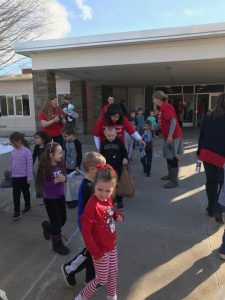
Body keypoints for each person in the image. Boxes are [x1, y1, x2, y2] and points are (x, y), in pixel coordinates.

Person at [74, 165, 124, 300]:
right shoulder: (92, 205)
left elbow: (111, 208)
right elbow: (86, 231)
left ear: (113, 189)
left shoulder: (107, 199)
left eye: (108, 191)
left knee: (113, 272)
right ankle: (81, 297)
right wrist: (95, 251)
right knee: (101, 279)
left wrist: (117, 214)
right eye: (99, 189)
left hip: (111, 245)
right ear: (94, 185)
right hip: (100, 250)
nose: (103, 193)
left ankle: (111, 296)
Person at [61, 152, 106, 287]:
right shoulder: (88, 187)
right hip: (89, 226)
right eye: (101, 167)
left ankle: (90, 278)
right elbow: (92, 211)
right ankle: (70, 268)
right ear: (92, 169)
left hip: (94, 224)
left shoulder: (92, 182)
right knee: (93, 251)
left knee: (95, 252)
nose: (103, 170)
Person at [37, 141, 69, 255]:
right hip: (50, 199)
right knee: (56, 222)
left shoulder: (61, 163)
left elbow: (65, 175)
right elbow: (43, 185)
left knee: (63, 219)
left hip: (60, 196)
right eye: (59, 153)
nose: (61, 154)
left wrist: (64, 178)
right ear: (51, 155)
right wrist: (55, 181)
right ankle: (57, 244)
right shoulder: (45, 168)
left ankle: (47, 226)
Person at [197, 92, 225, 223]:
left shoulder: (208, 116)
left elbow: (201, 135)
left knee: (211, 182)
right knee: (222, 184)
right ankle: (218, 208)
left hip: (207, 154)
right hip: (222, 157)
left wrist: (199, 151)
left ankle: (211, 208)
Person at [152, 90, 183, 188]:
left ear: (158, 99)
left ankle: (174, 181)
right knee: (168, 155)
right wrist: (153, 128)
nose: (153, 101)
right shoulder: (162, 108)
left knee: (173, 157)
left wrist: (170, 135)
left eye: (154, 99)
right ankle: (170, 175)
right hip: (168, 136)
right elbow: (163, 123)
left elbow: (173, 121)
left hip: (173, 136)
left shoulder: (166, 107)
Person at [100, 126, 128, 210]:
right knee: (109, 184)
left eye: (112, 136)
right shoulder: (104, 143)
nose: (111, 138)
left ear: (116, 134)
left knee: (118, 184)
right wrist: (101, 163)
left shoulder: (119, 142)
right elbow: (101, 154)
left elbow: (124, 152)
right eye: (109, 136)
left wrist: (125, 158)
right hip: (108, 167)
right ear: (105, 135)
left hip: (118, 167)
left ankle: (120, 201)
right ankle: (112, 199)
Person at [9, 132, 33, 220]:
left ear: (19, 141)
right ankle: (16, 212)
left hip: (24, 177)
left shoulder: (27, 152)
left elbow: (29, 165)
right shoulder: (13, 152)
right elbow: (11, 163)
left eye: (13, 142)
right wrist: (9, 173)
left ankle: (28, 205)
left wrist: (29, 177)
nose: (12, 145)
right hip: (15, 177)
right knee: (16, 195)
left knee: (25, 192)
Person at [62, 126, 82, 209]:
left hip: (74, 167)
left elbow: (79, 155)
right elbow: (66, 154)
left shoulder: (77, 143)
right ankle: (69, 199)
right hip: (67, 165)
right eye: (63, 136)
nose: (64, 138)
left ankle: (75, 200)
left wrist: (78, 166)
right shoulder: (66, 142)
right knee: (69, 183)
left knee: (74, 184)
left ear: (72, 135)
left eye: (65, 136)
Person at [33, 131, 51, 205]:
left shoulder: (48, 147)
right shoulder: (36, 147)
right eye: (35, 138)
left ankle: (48, 196)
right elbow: (33, 157)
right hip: (39, 167)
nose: (35, 140)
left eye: (37, 138)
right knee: (40, 183)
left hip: (47, 167)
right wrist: (30, 166)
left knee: (47, 182)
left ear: (43, 140)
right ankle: (42, 197)